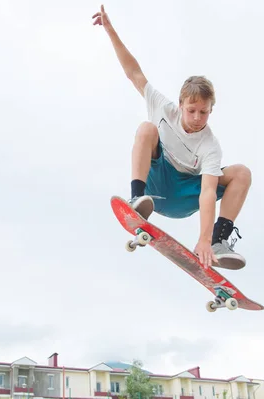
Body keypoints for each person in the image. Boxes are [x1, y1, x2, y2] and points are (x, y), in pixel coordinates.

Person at [92, 5, 252, 270]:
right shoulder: (163, 108)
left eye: (204, 112)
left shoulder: (210, 145)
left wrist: (203, 238)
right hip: (157, 187)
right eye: (192, 111)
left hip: (187, 195)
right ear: (180, 105)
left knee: (242, 173)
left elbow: (208, 193)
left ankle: (218, 242)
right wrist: (110, 30)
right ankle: (136, 198)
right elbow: (133, 72)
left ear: (211, 110)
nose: (197, 118)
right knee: (146, 128)